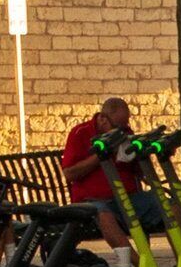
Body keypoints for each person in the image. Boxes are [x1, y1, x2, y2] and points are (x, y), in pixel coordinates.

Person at [62, 97, 157, 252]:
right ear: (103, 119)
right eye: (118, 126)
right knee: (104, 214)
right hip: (94, 201)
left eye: (125, 125)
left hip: (127, 197)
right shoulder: (81, 132)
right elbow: (70, 173)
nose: (123, 130)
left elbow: (141, 173)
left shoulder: (125, 134)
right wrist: (101, 154)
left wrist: (140, 154)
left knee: (168, 205)